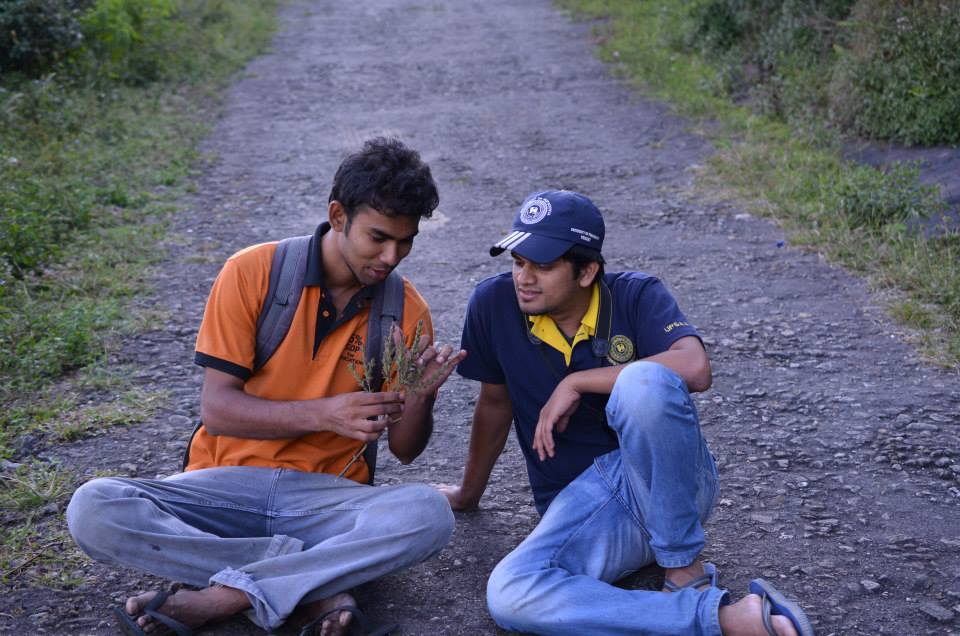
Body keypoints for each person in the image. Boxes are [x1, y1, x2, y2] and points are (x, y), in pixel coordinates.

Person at [67, 138, 466, 636]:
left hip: (325, 499)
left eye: (405, 242)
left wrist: (420, 397)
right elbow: (218, 410)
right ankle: (308, 582)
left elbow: (405, 451)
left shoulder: (407, 310)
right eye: (379, 237)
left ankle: (223, 596)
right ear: (338, 216)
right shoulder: (253, 272)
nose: (391, 256)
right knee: (94, 508)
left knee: (428, 514)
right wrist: (325, 413)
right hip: (222, 487)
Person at [439, 190, 814, 636]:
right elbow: (495, 403)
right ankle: (724, 618)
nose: (524, 277)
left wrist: (578, 381)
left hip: (666, 485)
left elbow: (695, 367)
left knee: (643, 381)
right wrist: (468, 492)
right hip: (584, 507)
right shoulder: (493, 304)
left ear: (587, 271)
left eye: (543, 265)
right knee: (510, 594)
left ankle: (683, 568)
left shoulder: (636, 295)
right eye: (518, 262)